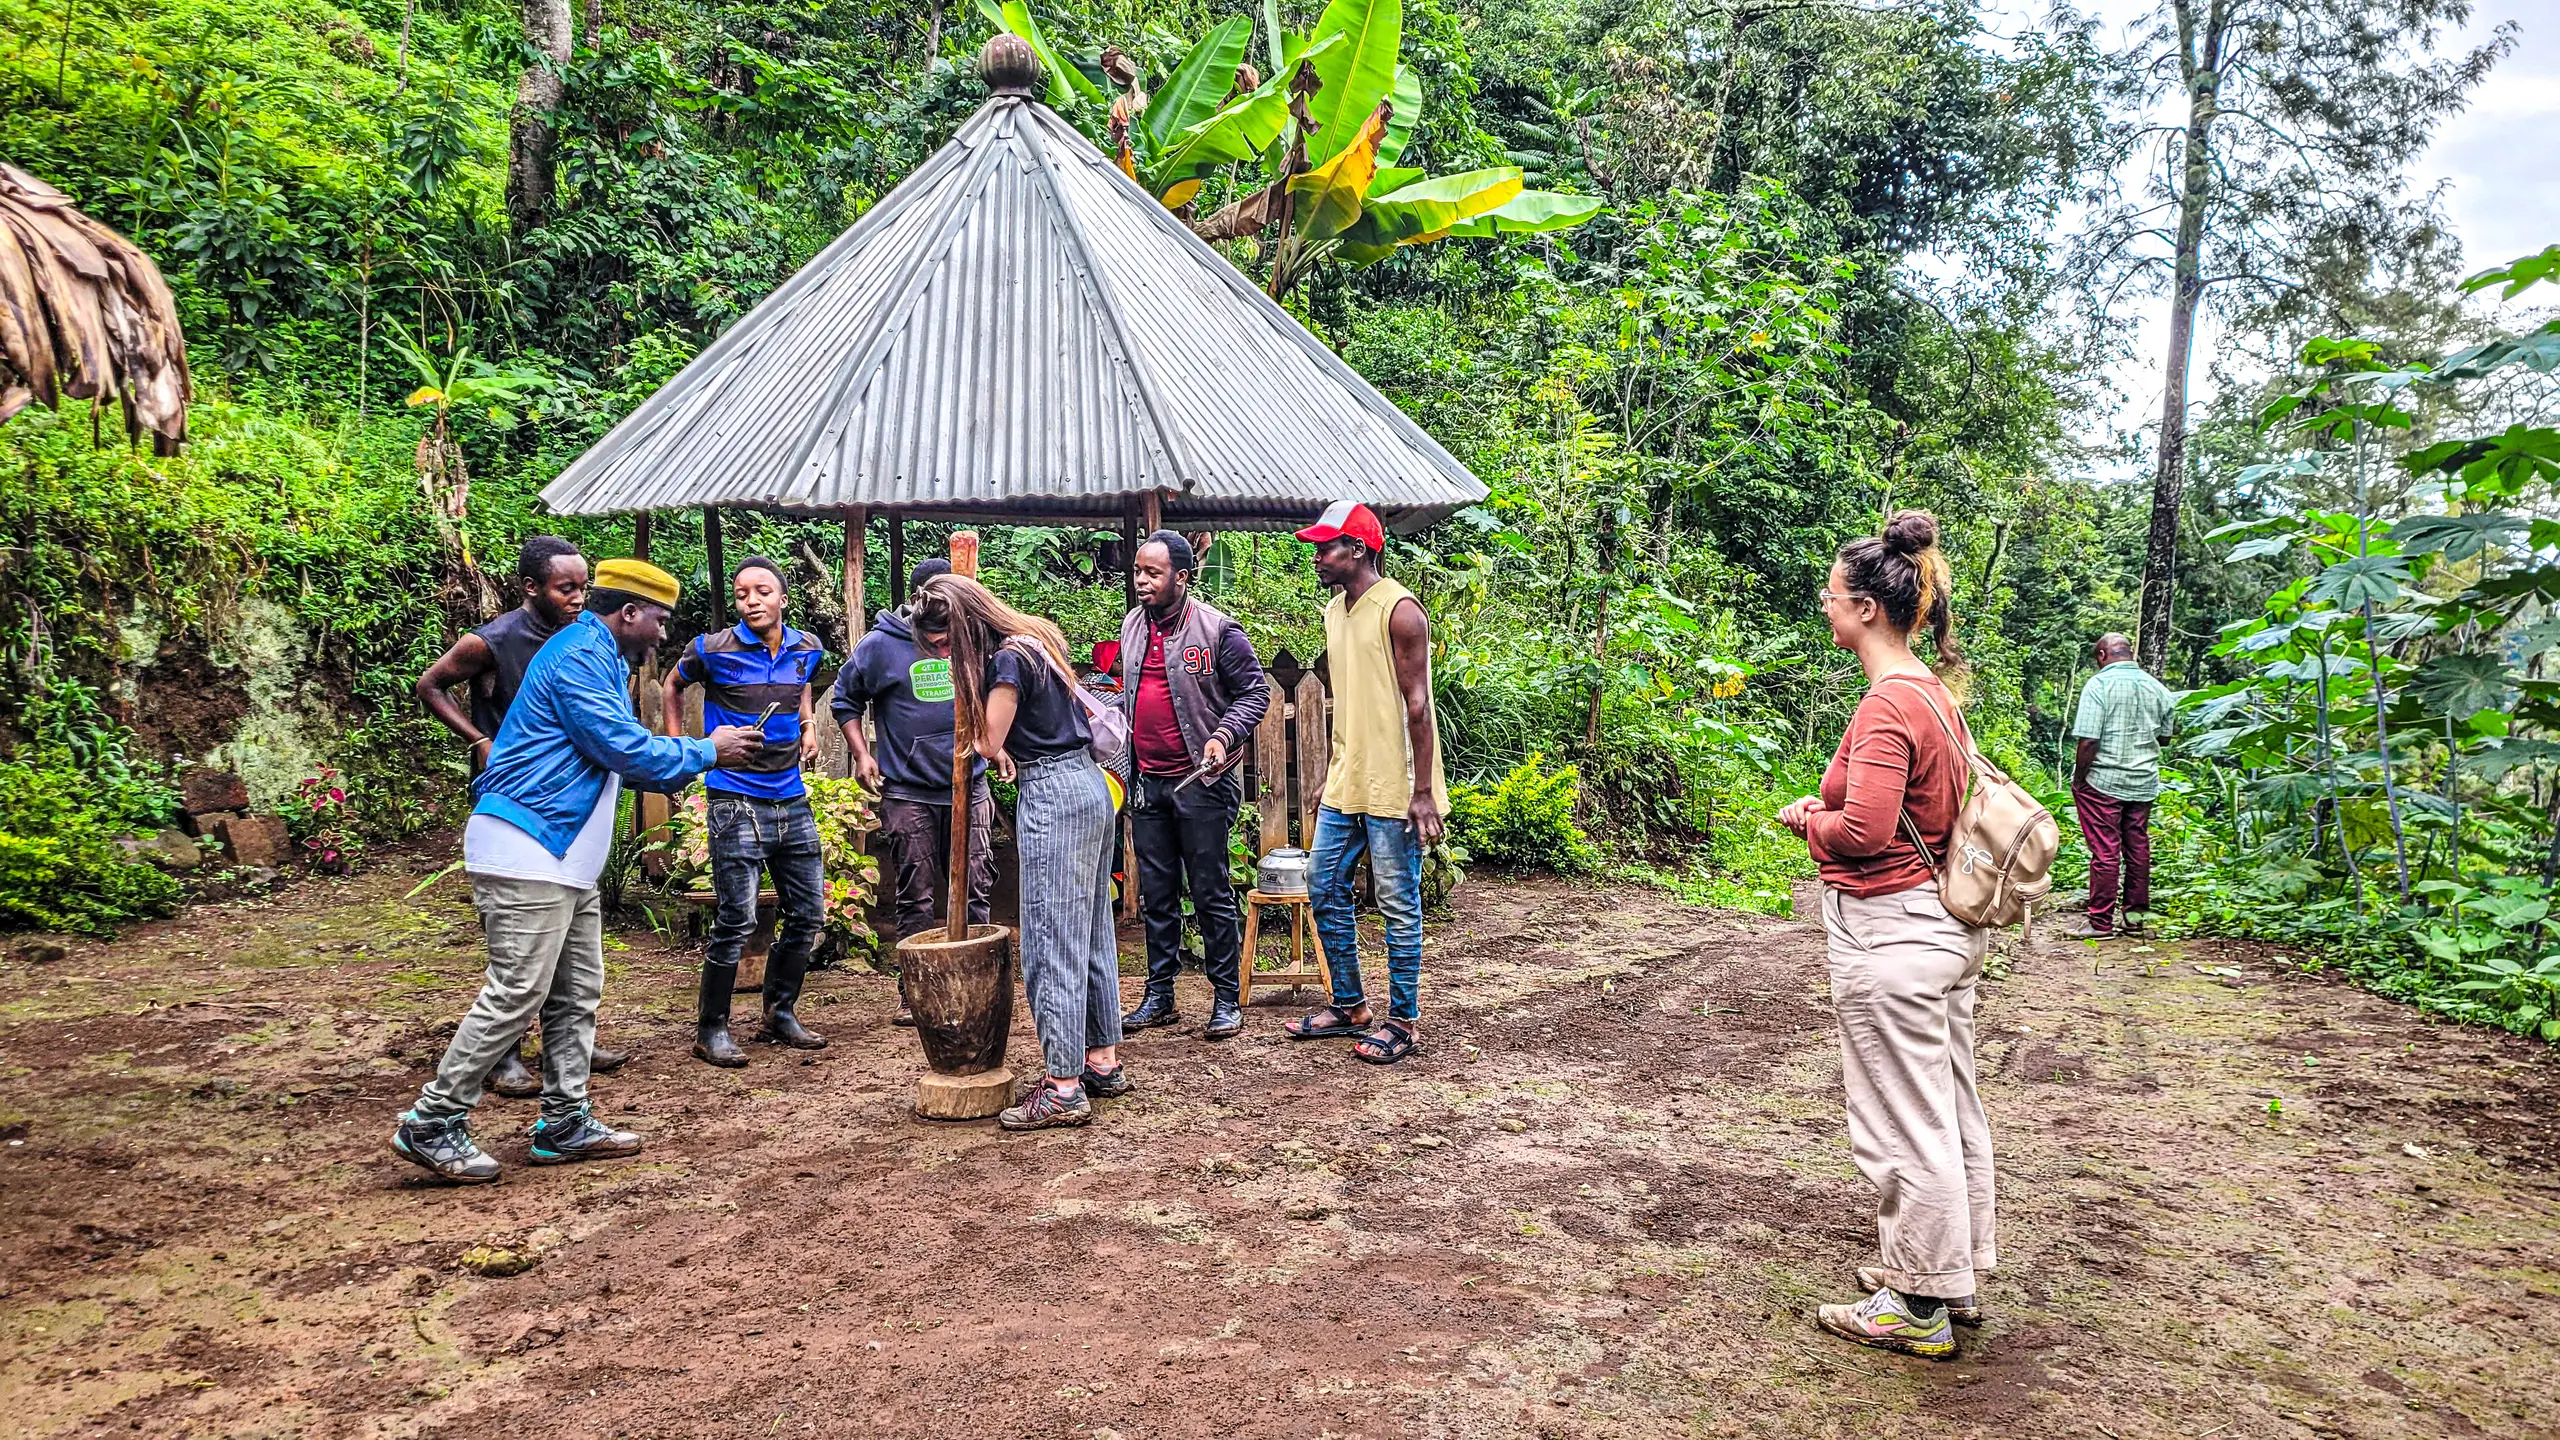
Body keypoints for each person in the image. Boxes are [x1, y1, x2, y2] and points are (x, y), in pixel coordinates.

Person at [391, 560, 764, 1183]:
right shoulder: (579, 657)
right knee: (517, 992)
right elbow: (622, 748)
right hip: (527, 847)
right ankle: (432, 1121)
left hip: (566, 861)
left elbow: (630, 759)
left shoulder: (602, 659)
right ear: (628, 614)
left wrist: (691, 758)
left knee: (575, 993)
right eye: (660, 620)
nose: (663, 634)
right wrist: (707, 748)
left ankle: (564, 1120)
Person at [1776, 510, 1993, 1360]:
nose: (1825, 607)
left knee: (1904, 1124)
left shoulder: (1884, 708)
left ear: (1867, 608)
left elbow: (1864, 830)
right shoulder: (1935, 696)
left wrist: (1809, 822)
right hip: (1939, 927)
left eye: (1831, 596)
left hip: (1891, 935)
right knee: (1950, 1108)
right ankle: (1953, 1275)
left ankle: (1918, 1305)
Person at [411, 535, 629, 1097]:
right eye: (566, 588)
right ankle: (502, 1057)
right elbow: (428, 685)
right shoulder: (494, 640)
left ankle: (566, 1074)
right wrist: (479, 737)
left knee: (570, 970)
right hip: (517, 797)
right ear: (531, 588)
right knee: (518, 963)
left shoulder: (581, 640)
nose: (578, 598)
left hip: (566, 809)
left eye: (585, 587)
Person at [909, 575, 1124, 1131]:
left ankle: (1062, 1085)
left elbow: (984, 740)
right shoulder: (1038, 639)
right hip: (1090, 785)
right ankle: (1100, 1060)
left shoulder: (1005, 662)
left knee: (1052, 937)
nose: (942, 653)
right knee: (1092, 928)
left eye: (943, 642)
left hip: (1053, 795)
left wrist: (974, 729)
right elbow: (1032, 727)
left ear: (963, 626)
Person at [1281, 501, 1446, 1066]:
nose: (1318, 556)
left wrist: (1421, 790)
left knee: (1398, 901)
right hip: (1348, 774)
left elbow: (1418, 706)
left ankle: (1404, 1021)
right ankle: (1350, 1005)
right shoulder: (1334, 611)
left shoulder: (1399, 611)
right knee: (1323, 885)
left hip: (1396, 779)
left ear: (1358, 549)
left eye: (1327, 547)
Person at [661, 556, 831, 1067]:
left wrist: (807, 725)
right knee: (737, 916)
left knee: (808, 913)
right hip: (733, 796)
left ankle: (779, 1013)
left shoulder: (808, 648)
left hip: (791, 794)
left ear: (782, 598)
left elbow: (801, 684)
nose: (751, 600)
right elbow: (672, 684)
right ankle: (710, 1028)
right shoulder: (711, 649)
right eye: (741, 594)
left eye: (761, 591)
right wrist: (679, 750)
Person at [828, 557, 994, 1025]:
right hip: (908, 791)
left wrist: (996, 746)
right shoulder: (880, 647)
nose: (943, 647)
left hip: (971, 782)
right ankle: (915, 991)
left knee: (975, 888)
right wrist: (863, 753)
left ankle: (976, 982)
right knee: (916, 895)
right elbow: (845, 698)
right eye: (935, 638)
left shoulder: (972, 636)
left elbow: (995, 694)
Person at [1117, 531, 1269, 1041]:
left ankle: (1226, 999)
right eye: (1138, 571)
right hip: (1149, 782)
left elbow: (1255, 692)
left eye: (1152, 573)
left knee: (1210, 891)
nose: (1141, 580)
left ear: (1181, 577)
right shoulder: (1134, 624)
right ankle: (1159, 997)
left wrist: (1223, 736)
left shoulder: (1219, 630)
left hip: (1201, 782)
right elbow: (1133, 694)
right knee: (1156, 894)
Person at [2066, 632, 2176, 939]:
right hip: (2143, 782)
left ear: (2102, 656)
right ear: (2131, 654)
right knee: (2137, 848)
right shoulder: (2159, 689)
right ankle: (2135, 919)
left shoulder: (2099, 685)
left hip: (2103, 781)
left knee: (2105, 850)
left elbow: (2089, 740)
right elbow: (2164, 738)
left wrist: (2079, 780)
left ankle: (2100, 923)